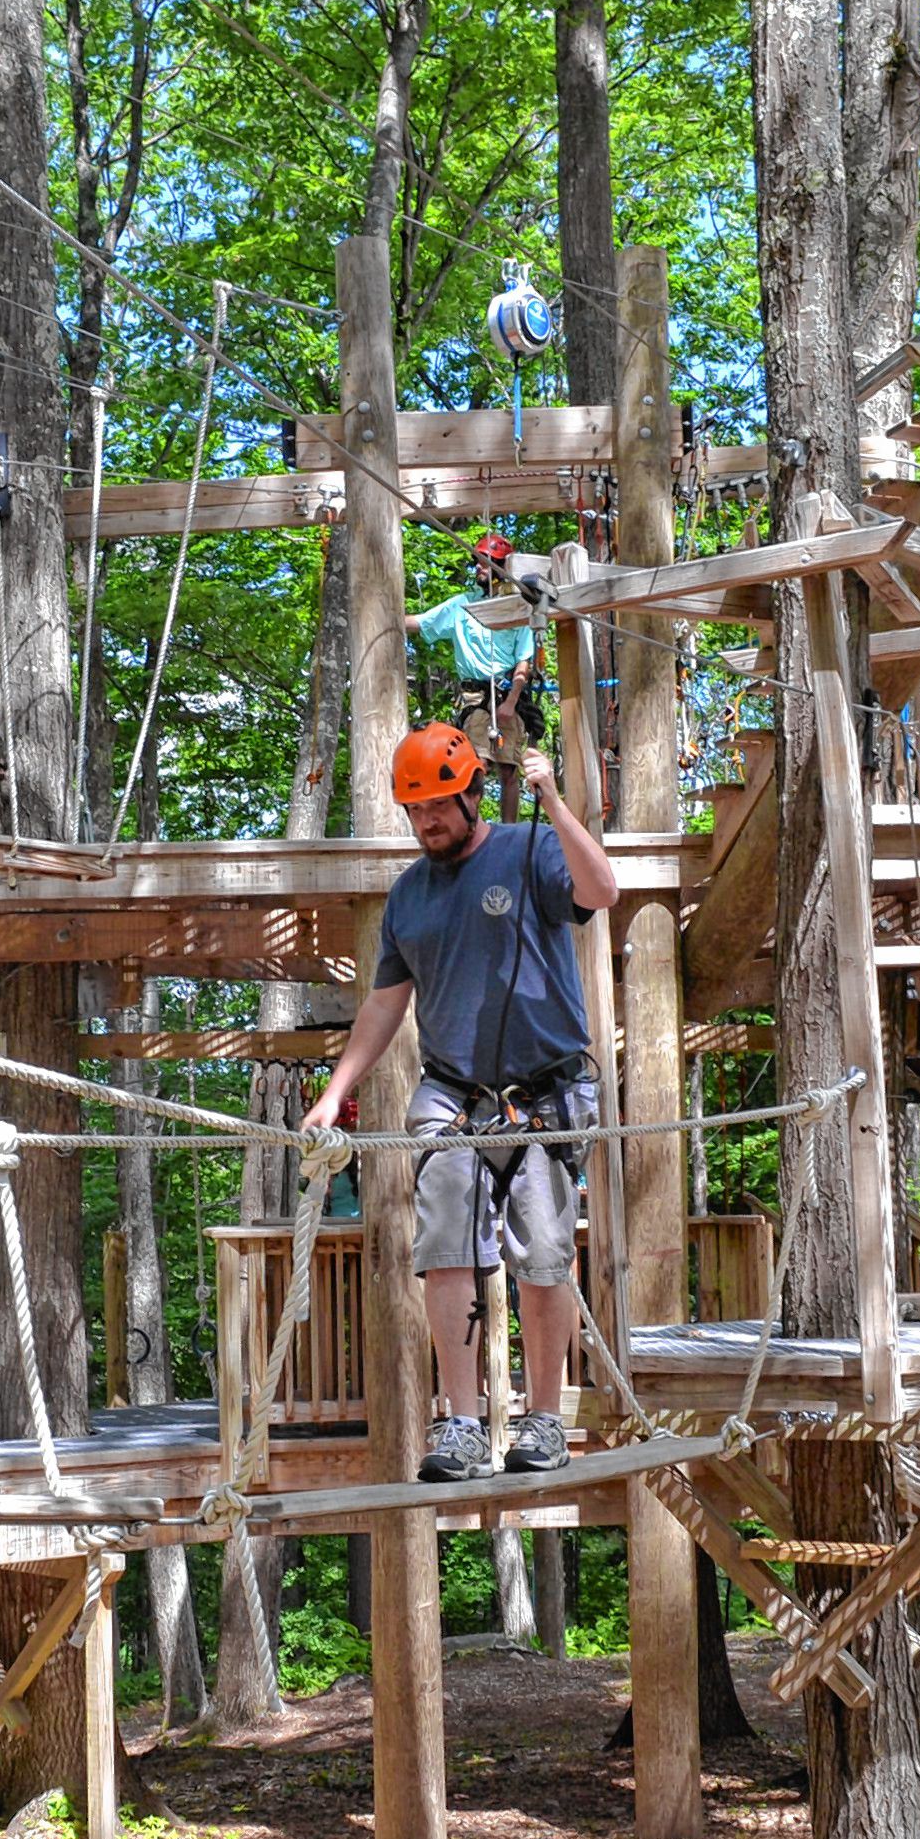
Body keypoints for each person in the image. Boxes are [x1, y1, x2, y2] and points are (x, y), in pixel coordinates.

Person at [301, 721, 618, 1481]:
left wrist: (554, 798)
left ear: (474, 791)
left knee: (543, 1253)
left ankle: (543, 1420)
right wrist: (334, 1094)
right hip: (452, 1092)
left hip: (545, 1088)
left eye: (438, 805)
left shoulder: (529, 845)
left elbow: (601, 891)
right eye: (414, 812)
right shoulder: (409, 895)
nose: (426, 823)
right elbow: (383, 1005)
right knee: (445, 1251)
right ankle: (464, 1425)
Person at [405, 532, 547, 788]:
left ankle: (509, 827)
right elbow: (421, 621)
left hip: (508, 695)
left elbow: (523, 662)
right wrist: (382, 617)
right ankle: (474, 823)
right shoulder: (462, 605)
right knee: (477, 763)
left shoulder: (517, 606)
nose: (479, 567)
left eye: (486, 562)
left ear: (502, 567)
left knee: (508, 769)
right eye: (478, 561)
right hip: (475, 696)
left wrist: (511, 703)